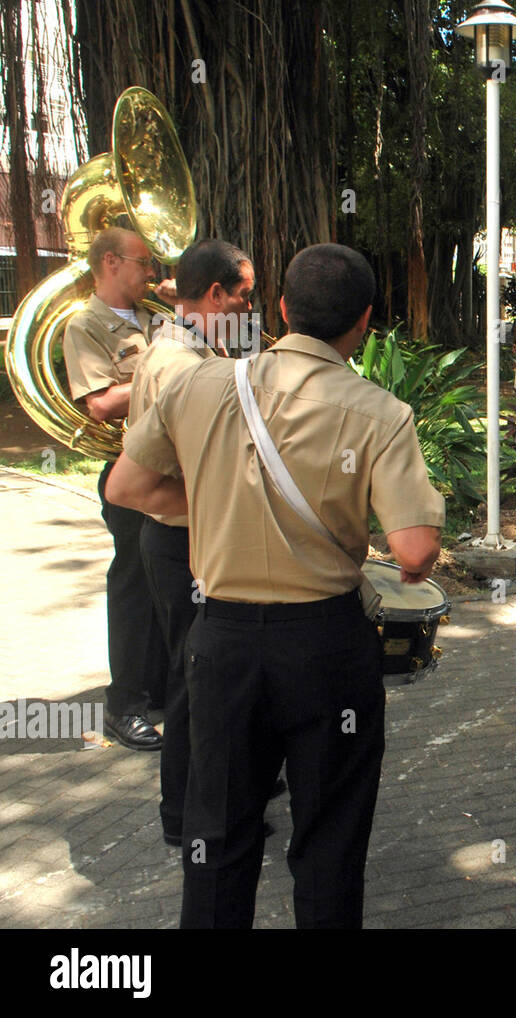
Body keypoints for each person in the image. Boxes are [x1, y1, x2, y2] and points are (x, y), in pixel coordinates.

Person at [107, 243, 444, 928]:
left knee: (217, 837)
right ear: (366, 323)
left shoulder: (198, 384)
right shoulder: (380, 413)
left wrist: (214, 499)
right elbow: (413, 551)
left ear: (284, 308)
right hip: (325, 646)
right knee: (328, 841)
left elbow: (126, 486)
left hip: (223, 639)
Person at [127, 239, 258, 846]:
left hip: (182, 539)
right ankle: (184, 816)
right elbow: (143, 482)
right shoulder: (185, 366)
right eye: (244, 296)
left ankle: (203, 803)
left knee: (197, 675)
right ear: (214, 295)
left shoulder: (188, 344)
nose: (248, 310)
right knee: (193, 681)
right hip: (183, 544)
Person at [62, 226, 168, 751]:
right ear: (110, 262)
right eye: (143, 262)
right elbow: (100, 404)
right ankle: (123, 705)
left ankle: (163, 688)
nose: (152, 272)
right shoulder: (86, 326)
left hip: (174, 466)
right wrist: (167, 372)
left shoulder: (158, 319)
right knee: (132, 583)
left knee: (172, 578)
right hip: (130, 471)